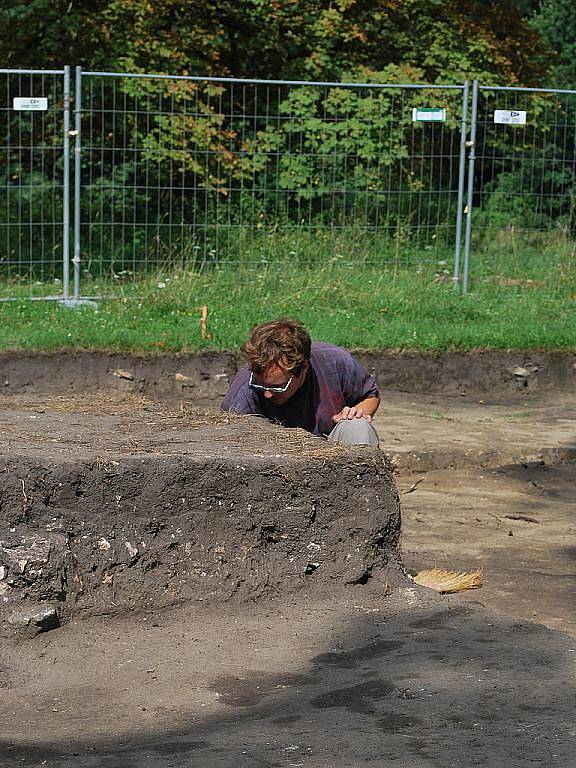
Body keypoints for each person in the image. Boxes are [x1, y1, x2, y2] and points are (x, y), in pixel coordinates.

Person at [221, 319, 380, 447]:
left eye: (277, 387)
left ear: (303, 367)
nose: (267, 394)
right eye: (261, 385)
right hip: (272, 461)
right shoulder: (243, 390)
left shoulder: (335, 363)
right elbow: (232, 446)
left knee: (358, 427)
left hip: (332, 456)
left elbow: (370, 395)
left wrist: (354, 412)